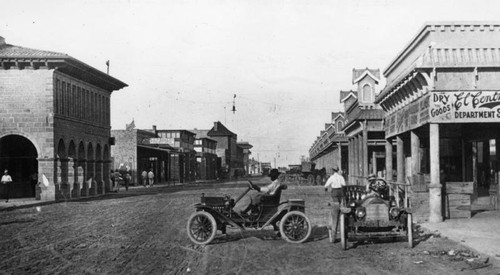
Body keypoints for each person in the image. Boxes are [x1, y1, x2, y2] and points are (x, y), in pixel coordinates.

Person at [324, 166, 346, 243]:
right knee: (341, 203)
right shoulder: (341, 177)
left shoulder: (332, 177)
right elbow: (344, 184)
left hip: (335, 192)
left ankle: (333, 236)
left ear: (333, 170)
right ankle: (340, 208)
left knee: (335, 206)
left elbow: (326, 185)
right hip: (341, 192)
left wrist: (326, 188)